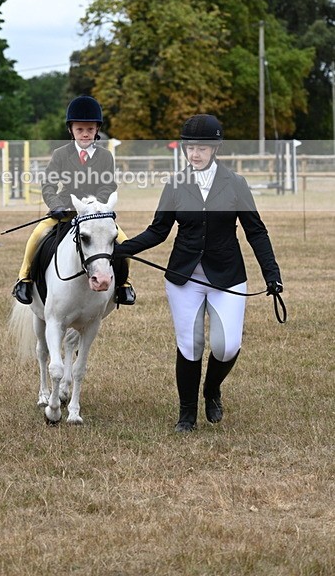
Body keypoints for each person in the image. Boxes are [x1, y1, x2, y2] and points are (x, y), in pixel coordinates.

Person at [114, 114, 283, 432]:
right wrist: (119, 249)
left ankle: (212, 389)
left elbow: (256, 232)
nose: (195, 154)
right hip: (184, 278)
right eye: (189, 147)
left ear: (216, 148)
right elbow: (158, 231)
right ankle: (187, 414)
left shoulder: (236, 184)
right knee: (190, 345)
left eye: (202, 148)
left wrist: (272, 274)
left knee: (226, 346)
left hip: (227, 275)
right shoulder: (175, 185)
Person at [12, 95, 136, 306]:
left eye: (90, 129)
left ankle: (124, 284)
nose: (85, 134)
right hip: (66, 210)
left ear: (97, 130)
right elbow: (48, 185)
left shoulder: (105, 156)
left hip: (96, 211)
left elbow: (109, 186)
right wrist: (56, 206)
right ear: (71, 130)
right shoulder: (61, 154)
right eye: (80, 129)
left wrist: (96, 205)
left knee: (123, 241)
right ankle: (24, 278)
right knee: (37, 234)